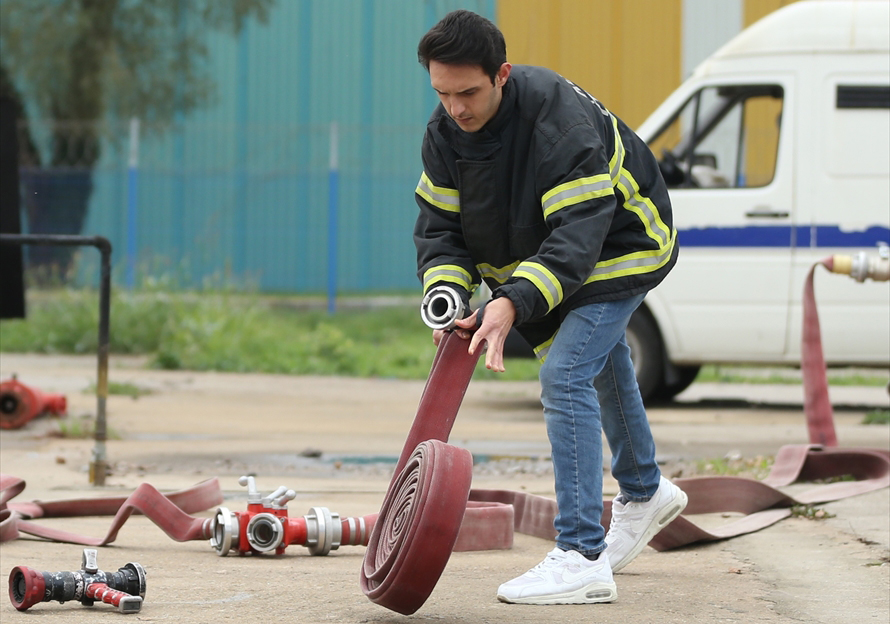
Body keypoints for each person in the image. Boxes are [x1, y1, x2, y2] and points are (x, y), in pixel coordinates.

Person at [413, 10, 688, 605]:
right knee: (601, 357)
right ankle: (644, 491)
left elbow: (578, 235)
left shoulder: (555, 121)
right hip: (561, 252)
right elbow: (442, 229)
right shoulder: (444, 132)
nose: (455, 108)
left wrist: (511, 301)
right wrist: (451, 292)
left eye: (468, 92)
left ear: (502, 75)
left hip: (623, 244)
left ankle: (582, 555)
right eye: (442, 93)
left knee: (565, 374)